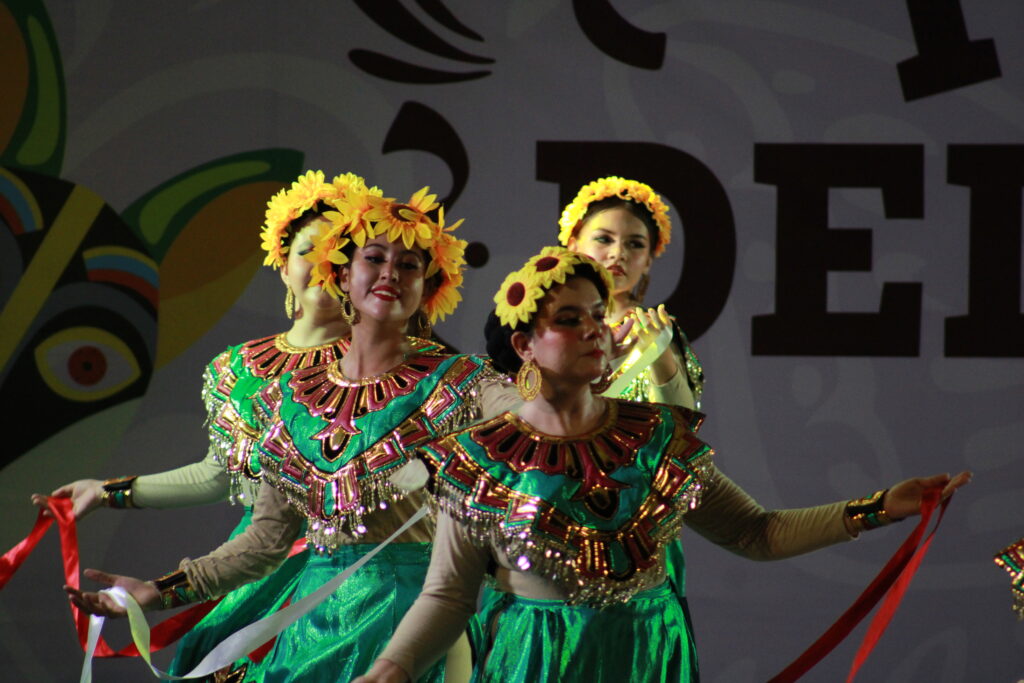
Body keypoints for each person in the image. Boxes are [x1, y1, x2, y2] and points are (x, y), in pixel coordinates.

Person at [354, 246, 971, 683]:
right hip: (537, 662)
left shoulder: (655, 437)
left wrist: (880, 507)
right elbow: (449, 595)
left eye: (597, 316)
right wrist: (389, 671)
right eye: (568, 320)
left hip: (650, 657)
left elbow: (757, 532)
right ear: (525, 346)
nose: (594, 330)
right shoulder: (476, 460)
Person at [64, 182, 517, 683]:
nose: (391, 272)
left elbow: (538, 419)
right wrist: (156, 591)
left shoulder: (461, 380)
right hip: (314, 624)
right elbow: (265, 541)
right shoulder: (293, 398)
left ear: (427, 289)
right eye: (374, 258)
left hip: (414, 622)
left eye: (409, 265)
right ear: (341, 275)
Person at [32, 169, 354, 680]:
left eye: (344, 254)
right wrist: (109, 491)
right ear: (282, 264)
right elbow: (216, 475)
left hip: (353, 573)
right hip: (257, 564)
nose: (325, 266)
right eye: (309, 251)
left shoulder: (384, 372)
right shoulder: (238, 369)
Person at [559, 176, 703, 410]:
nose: (618, 253)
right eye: (604, 239)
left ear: (648, 260)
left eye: (635, 244)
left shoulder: (654, 330)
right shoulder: (547, 323)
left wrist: (660, 355)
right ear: (573, 244)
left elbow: (681, 420)